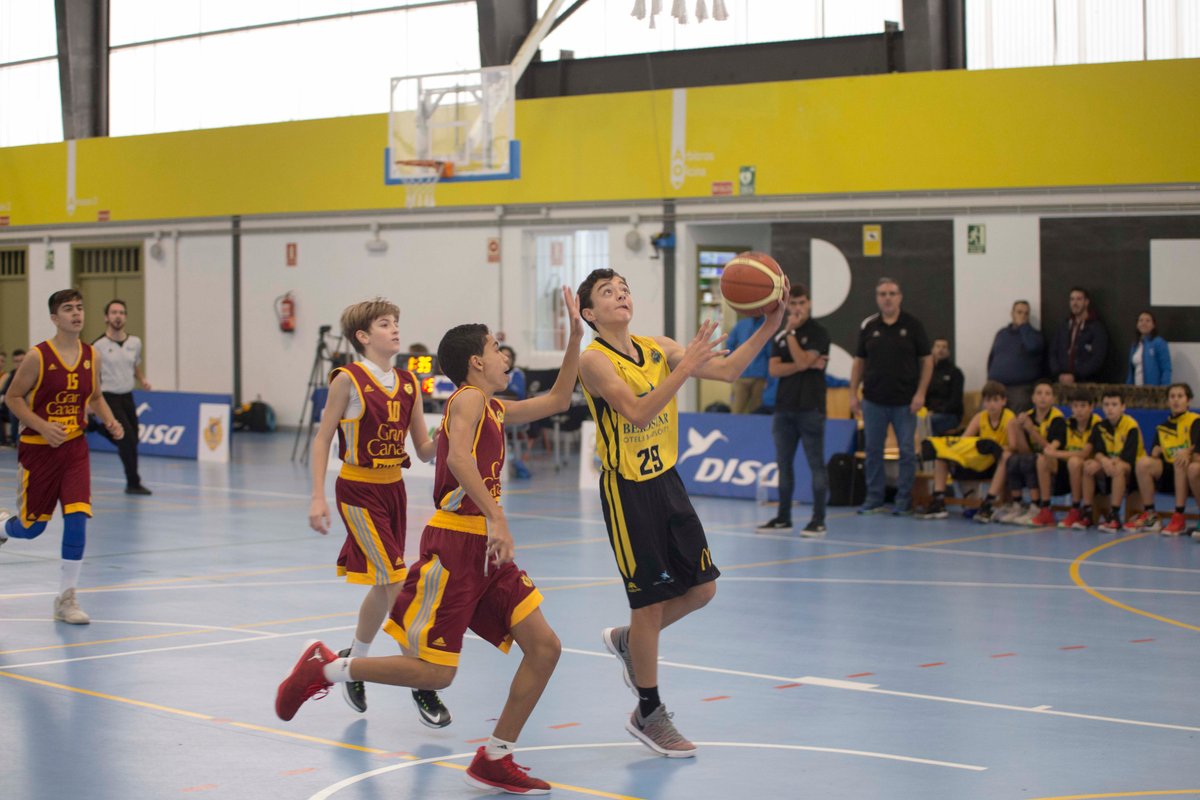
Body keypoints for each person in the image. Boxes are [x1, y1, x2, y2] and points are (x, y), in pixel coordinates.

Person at [276, 287, 584, 795]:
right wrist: (498, 517)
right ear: (476, 362)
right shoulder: (467, 399)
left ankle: (495, 757)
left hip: (487, 552)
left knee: (545, 648)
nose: (503, 354)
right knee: (436, 674)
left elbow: (557, 400)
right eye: (495, 347)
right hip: (458, 545)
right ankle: (328, 669)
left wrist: (574, 338)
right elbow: (458, 459)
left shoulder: (492, 407)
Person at [575, 267, 786, 757]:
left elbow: (729, 371)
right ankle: (648, 712)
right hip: (628, 490)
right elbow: (637, 413)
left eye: (624, 288)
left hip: (667, 481)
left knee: (702, 588)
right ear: (589, 313)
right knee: (649, 603)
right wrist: (685, 367)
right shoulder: (594, 361)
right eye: (608, 292)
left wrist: (769, 326)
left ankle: (630, 642)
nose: (620, 295)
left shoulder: (659, 347)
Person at [307, 298, 449, 726]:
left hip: (394, 490)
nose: (395, 329)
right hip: (357, 490)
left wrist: (450, 432)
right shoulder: (347, 379)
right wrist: (317, 496)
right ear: (363, 336)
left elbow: (423, 450)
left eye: (396, 322)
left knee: (385, 582)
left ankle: (354, 659)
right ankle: (421, 680)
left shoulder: (409, 382)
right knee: (397, 581)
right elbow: (322, 438)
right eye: (385, 324)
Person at [0, 290, 124, 624]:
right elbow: (13, 398)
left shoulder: (91, 355)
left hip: (74, 449)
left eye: (80, 308)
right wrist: (42, 425)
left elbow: (95, 396)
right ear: (55, 318)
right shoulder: (37, 356)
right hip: (39, 450)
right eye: (68, 309)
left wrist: (110, 421)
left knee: (77, 517)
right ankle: (3, 526)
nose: (76, 313)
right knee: (32, 528)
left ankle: (66, 598)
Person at [849, 278, 933, 515]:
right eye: (883, 294)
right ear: (877, 298)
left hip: (905, 401)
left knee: (907, 452)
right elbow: (859, 362)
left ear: (900, 297)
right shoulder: (869, 326)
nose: (887, 298)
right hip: (873, 400)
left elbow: (927, 361)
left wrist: (921, 393)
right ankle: (874, 498)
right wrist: (853, 394)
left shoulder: (913, 325)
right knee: (873, 451)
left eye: (892, 293)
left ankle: (903, 500)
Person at [758, 284, 829, 535]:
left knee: (816, 465)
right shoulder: (779, 336)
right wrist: (806, 364)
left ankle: (818, 520)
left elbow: (799, 360)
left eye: (801, 303)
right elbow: (774, 369)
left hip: (811, 408)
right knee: (783, 465)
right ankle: (783, 517)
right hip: (784, 409)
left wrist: (791, 336)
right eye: (794, 303)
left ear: (809, 304)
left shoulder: (818, 332)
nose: (797, 308)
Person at [915, 381, 1014, 521]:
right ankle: (938, 500)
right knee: (942, 455)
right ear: (983, 402)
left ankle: (988, 503)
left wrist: (994, 447)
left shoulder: (1009, 418)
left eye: (995, 400)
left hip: (996, 463)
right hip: (981, 461)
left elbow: (1013, 446)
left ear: (1003, 401)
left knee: (1006, 455)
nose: (991, 404)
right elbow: (963, 442)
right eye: (988, 400)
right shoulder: (980, 417)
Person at [90, 299, 153, 494]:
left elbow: (134, 365)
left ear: (125, 317)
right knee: (126, 439)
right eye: (114, 312)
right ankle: (133, 482)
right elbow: (91, 374)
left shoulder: (135, 342)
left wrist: (142, 380)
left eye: (121, 312)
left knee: (134, 438)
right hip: (109, 397)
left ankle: (98, 428)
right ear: (106, 317)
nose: (118, 316)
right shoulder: (97, 346)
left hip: (127, 396)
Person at [1128, 383, 1200, 535]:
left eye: (1180, 396)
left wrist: (1186, 451)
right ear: (1167, 401)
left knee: (1180, 460)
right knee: (1143, 463)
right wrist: (1155, 453)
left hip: (1190, 473)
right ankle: (1151, 515)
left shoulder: (1195, 420)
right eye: (1172, 396)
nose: (1176, 400)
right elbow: (1155, 454)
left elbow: (1196, 447)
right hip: (1169, 474)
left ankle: (1179, 516)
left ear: (1188, 400)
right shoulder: (1162, 428)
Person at [1002, 380, 1067, 525]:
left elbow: (1050, 450)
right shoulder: (1028, 416)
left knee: (1038, 459)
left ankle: (1038, 506)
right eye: (1039, 393)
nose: (1043, 397)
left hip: (1056, 464)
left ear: (1053, 399)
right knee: (1013, 459)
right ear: (1033, 398)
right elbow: (1025, 451)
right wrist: (1017, 429)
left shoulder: (1057, 419)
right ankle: (1018, 504)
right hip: (1033, 459)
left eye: (1047, 394)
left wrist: (1031, 430)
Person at [1082, 389, 1145, 532]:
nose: (1110, 408)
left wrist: (1107, 462)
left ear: (1123, 407)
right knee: (1088, 466)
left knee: (1118, 468)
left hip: (1133, 471)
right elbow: (1098, 452)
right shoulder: (1099, 426)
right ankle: (1088, 512)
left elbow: (1128, 458)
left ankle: (1114, 515)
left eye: (1114, 404)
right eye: (1106, 404)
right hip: (1109, 465)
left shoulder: (1131, 426)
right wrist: (1104, 461)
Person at [1038, 389, 1102, 530]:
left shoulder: (1097, 424)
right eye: (1075, 406)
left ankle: (1076, 509)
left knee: (1074, 461)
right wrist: (1050, 452)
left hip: (1090, 472)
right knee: (1042, 459)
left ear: (1091, 407)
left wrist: (1057, 454)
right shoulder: (1067, 424)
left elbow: (1084, 453)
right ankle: (1045, 508)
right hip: (1067, 472)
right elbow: (1053, 446)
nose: (1079, 410)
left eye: (1083, 406)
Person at [987, 300, 1045, 413]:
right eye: (1019, 312)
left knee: (1018, 413)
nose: (1022, 316)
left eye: (1026, 313)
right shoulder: (1001, 334)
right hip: (996, 385)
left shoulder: (1034, 335)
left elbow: (1033, 347)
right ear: (1012, 313)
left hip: (1020, 387)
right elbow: (992, 357)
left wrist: (1023, 327)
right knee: (985, 413)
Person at [1049, 287, 1108, 385]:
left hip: (1086, 383)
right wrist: (1058, 374)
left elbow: (1097, 358)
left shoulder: (1096, 328)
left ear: (1086, 302)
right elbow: (1053, 353)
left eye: (1079, 299)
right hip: (1062, 382)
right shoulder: (1063, 327)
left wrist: (1076, 375)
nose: (1074, 303)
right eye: (1072, 299)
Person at [725, 313, 772, 413]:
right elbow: (729, 346)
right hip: (741, 376)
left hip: (759, 377)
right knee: (737, 411)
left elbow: (770, 354)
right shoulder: (741, 325)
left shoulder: (767, 325)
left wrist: (769, 378)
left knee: (757, 411)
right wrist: (733, 365)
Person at [925, 337, 964, 435]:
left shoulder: (955, 373)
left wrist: (935, 411)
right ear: (932, 350)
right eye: (938, 346)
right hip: (929, 413)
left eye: (944, 347)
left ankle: (931, 444)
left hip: (950, 415)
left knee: (929, 422)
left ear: (948, 352)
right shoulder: (928, 372)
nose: (940, 349)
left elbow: (955, 401)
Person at [1126, 310, 1171, 387]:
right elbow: (1131, 372)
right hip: (1136, 390)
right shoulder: (1135, 345)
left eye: (1148, 320)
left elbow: (1166, 369)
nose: (1144, 323)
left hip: (1153, 390)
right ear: (1137, 325)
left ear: (1153, 325)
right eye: (1141, 320)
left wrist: (1163, 389)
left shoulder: (1159, 342)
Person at [0, 348, 23, 445]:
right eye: (16, 361)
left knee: (13, 411)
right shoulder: (12, 374)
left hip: (24, 405)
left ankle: (15, 440)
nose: (19, 364)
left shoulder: (31, 373)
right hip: (10, 405)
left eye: (21, 361)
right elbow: (4, 392)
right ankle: (3, 442)